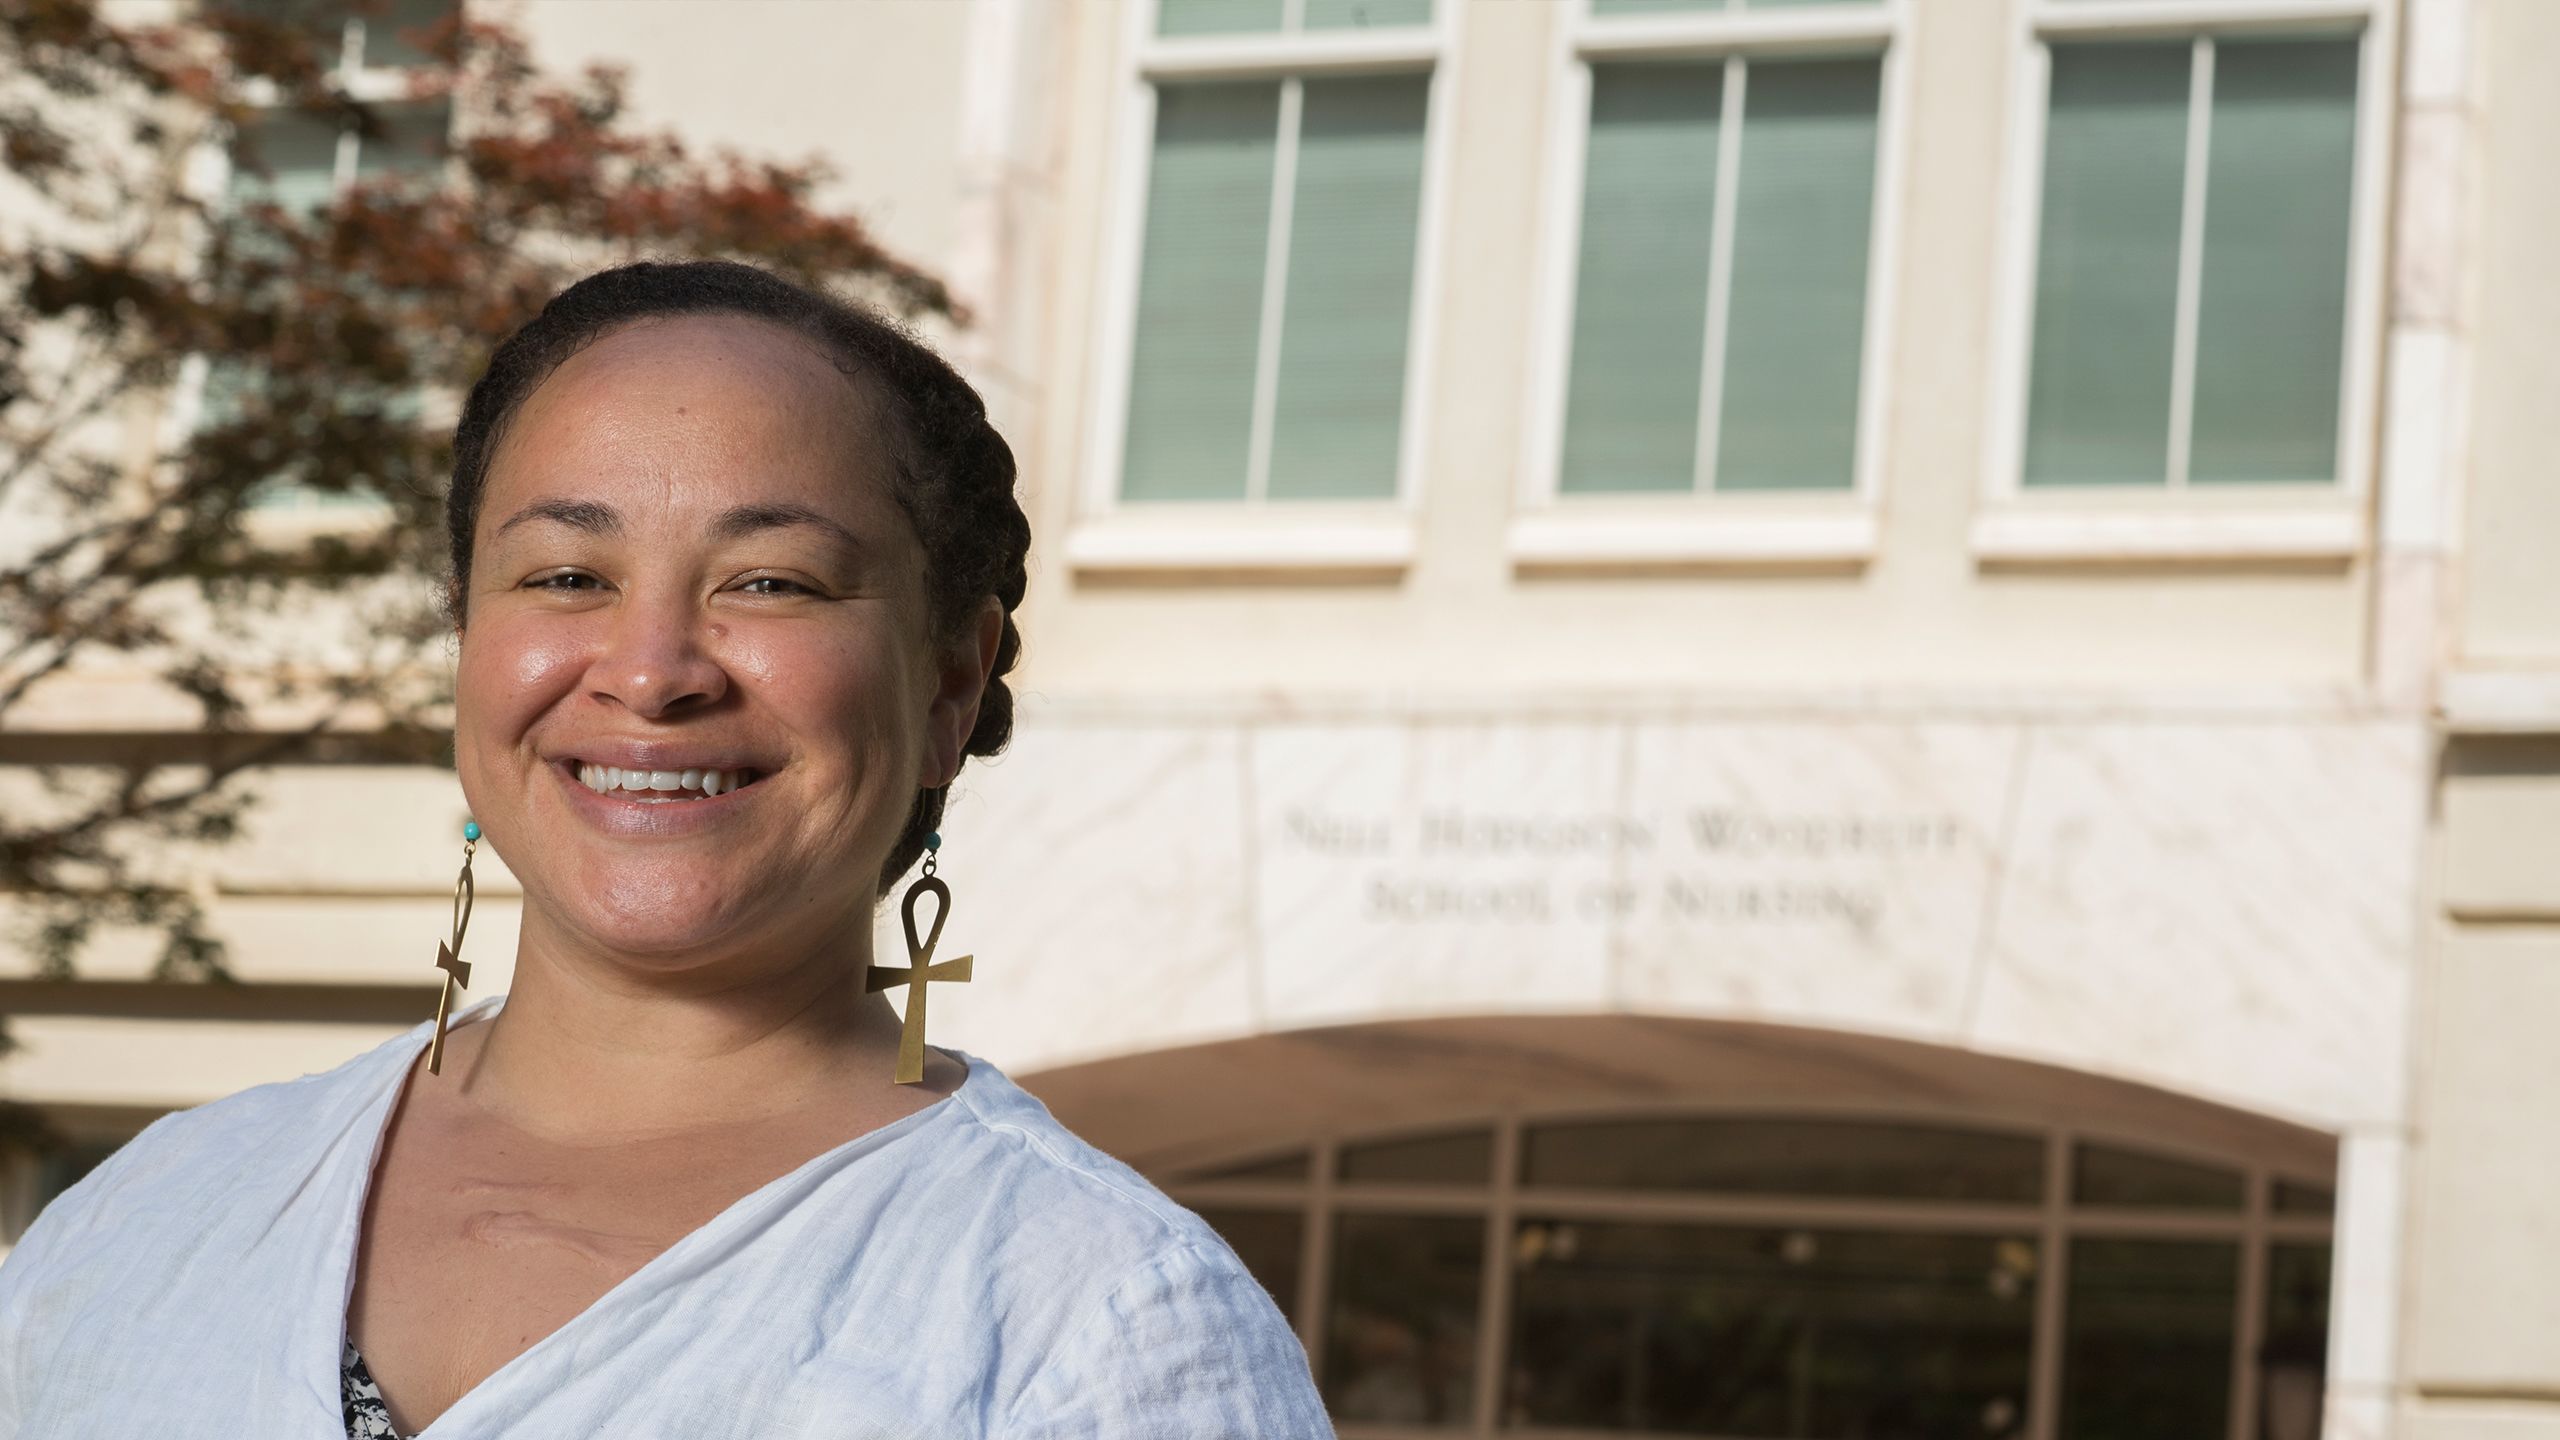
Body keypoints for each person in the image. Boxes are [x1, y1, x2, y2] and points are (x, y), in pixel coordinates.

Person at [0, 259, 1335, 1437]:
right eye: (566, 577)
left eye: (772, 582)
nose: (651, 673)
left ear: (945, 681)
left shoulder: (1099, 1321)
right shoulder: (140, 1223)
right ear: (467, 644)